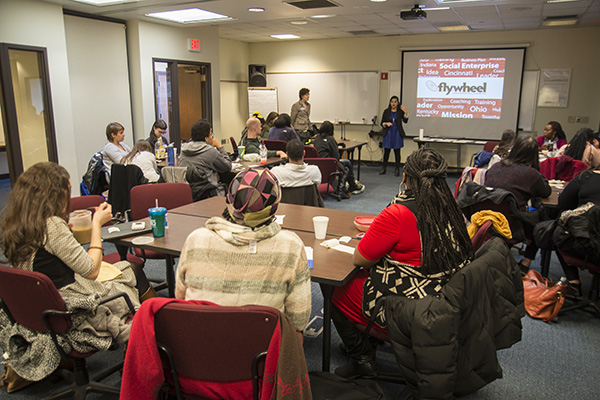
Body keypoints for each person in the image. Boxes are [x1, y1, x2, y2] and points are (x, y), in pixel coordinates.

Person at [0, 162, 153, 379]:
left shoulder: (19, 223)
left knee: (127, 270)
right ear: (53, 195)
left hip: (39, 310)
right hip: (72, 311)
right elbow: (90, 270)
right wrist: (97, 224)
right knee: (132, 271)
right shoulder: (51, 226)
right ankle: (154, 337)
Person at [330, 149, 474, 379]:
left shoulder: (398, 213)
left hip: (409, 306)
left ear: (405, 177)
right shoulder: (450, 207)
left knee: (336, 288)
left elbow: (360, 258)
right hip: (443, 297)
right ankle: (370, 340)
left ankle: (362, 358)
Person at [175, 168, 311, 332]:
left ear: (230, 199)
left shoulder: (196, 239)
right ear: (273, 207)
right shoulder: (291, 247)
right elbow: (298, 321)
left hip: (199, 344)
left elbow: (180, 299)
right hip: (263, 350)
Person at [485, 135, 551, 270]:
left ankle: (500, 252)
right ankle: (526, 263)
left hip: (487, 220)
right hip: (512, 224)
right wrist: (536, 169)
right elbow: (546, 191)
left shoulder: (496, 166)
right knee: (544, 224)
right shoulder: (530, 173)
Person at [556, 165, 600, 294]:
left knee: (559, 233)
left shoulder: (586, 177)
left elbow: (563, 203)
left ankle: (574, 283)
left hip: (585, 244)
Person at [179, 119, 232, 196]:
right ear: (206, 138)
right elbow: (227, 166)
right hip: (209, 192)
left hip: (189, 193)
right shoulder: (209, 151)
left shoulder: (183, 149)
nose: (212, 137)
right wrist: (219, 146)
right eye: (211, 134)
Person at [313, 120, 364, 199]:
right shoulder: (330, 139)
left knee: (347, 162)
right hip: (330, 164)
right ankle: (341, 191)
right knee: (346, 168)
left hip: (319, 164)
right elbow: (336, 156)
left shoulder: (317, 138)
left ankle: (352, 185)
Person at [379, 96, 408, 176]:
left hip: (397, 133)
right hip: (388, 133)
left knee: (397, 152)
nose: (393, 103)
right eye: (392, 102)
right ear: (390, 103)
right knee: (386, 152)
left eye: (395, 102)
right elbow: (382, 123)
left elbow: (405, 121)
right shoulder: (386, 111)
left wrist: (405, 112)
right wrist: (386, 123)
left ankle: (397, 169)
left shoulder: (400, 112)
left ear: (397, 103)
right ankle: (384, 168)